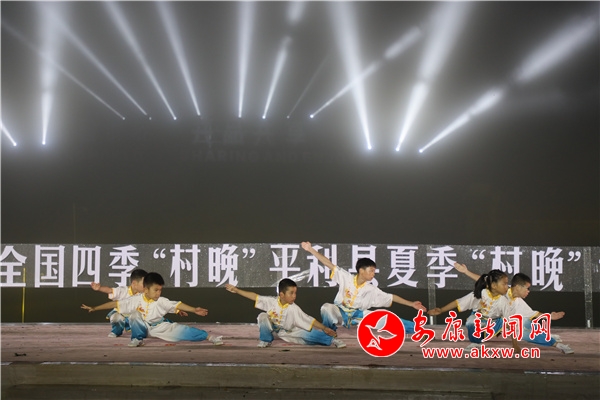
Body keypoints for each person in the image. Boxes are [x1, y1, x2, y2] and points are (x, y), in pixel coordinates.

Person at [301, 241, 426, 335]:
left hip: (359, 315)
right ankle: (329, 334)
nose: (373, 274)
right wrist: (310, 249)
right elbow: (328, 263)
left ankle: (418, 330)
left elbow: (391, 297)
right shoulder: (346, 277)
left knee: (387, 318)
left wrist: (411, 304)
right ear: (361, 270)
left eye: (374, 271)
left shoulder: (371, 289)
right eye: (371, 270)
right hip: (340, 312)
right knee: (326, 308)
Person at [453, 263, 574, 354]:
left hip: (500, 324)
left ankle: (556, 344)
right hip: (486, 322)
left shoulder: (518, 302)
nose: (528, 291)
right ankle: (475, 343)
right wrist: (466, 271)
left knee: (526, 323)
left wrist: (550, 316)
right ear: (517, 287)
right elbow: (484, 280)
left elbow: (532, 313)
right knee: (473, 321)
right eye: (526, 288)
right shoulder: (502, 289)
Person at [82, 272, 223, 347]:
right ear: (146, 289)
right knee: (134, 315)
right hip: (142, 328)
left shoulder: (161, 301)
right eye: (156, 290)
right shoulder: (135, 299)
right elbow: (115, 304)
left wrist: (194, 309)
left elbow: (177, 305)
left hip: (158, 328)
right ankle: (137, 340)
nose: (158, 293)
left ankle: (210, 338)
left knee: (183, 330)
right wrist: (95, 308)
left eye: (160, 290)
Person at [225, 278, 345, 348]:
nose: (294, 296)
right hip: (273, 329)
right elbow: (255, 297)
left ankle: (332, 341)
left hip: (290, 331)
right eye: (291, 293)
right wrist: (236, 290)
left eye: (295, 293)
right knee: (262, 316)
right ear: (282, 294)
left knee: (310, 335)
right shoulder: (271, 302)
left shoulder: (294, 308)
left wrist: (324, 328)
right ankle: (266, 340)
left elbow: (309, 319)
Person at [428, 269, 510, 350]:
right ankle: (475, 343)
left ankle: (490, 331)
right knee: (471, 321)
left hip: (494, 322)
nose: (507, 287)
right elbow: (459, 302)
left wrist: (514, 336)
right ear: (494, 285)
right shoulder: (481, 293)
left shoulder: (504, 300)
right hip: (480, 319)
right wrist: (441, 310)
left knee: (507, 322)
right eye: (504, 284)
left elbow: (509, 319)